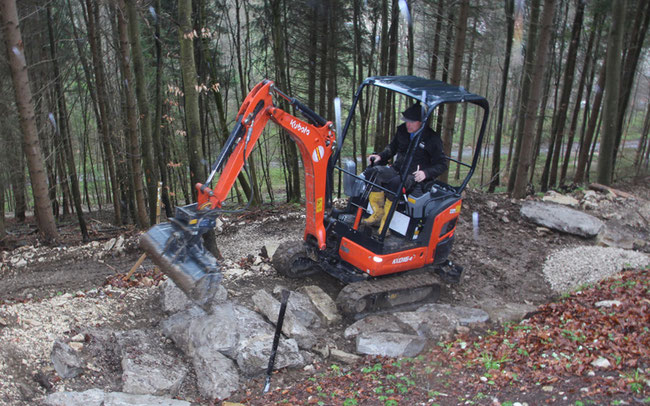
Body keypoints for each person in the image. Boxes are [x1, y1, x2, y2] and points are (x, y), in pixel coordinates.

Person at [363, 102, 447, 233]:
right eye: (407, 121)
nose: (408, 124)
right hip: (397, 169)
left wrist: (426, 173)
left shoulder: (432, 139)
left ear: (421, 122)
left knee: (396, 183)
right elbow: (392, 147)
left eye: (412, 122)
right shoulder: (402, 130)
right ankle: (378, 214)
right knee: (372, 173)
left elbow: (442, 164)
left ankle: (385, 225)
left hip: (414, 176)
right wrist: (380, 156)